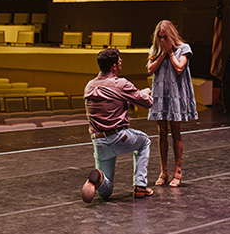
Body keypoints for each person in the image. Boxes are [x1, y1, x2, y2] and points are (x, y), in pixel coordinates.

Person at [81, 48, 155, 203]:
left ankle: (99, 178)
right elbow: (147, 103)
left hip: (99, 142)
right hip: (118, 137)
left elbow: (111, 103)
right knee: (144, 142)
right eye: (120, 60)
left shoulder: (89, 86)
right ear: (114, 66)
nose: (121, 62)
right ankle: (140, 186)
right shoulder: (121, 84)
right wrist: (146, 92)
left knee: (105, 192)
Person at [146, 19, 198, 188]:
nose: (162, 40)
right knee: (162, 131)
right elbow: (150, 69)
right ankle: (164, 171)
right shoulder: (156, 49)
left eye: (165, 37)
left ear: (171, 35)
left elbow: (179, 68)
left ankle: (178, 171)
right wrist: (162, 54)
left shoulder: (183, 48)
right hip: (161, 94)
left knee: (176, 131)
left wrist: (169, 53)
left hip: (176, 94)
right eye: (160, 37)